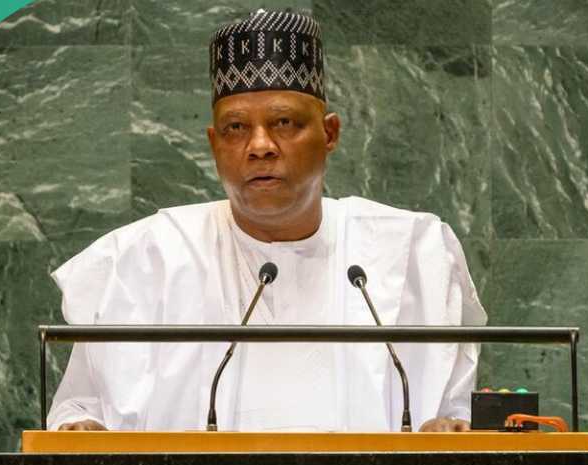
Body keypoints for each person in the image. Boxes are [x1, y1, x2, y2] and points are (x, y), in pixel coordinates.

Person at [48, 9, 486, 433]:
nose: (260, 146)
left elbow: (455, 415)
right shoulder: (145, 258)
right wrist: (80, 425)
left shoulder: (410, 250)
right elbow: (81, 409)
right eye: (236, 128)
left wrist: (447, 425)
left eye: (283, 122)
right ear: (214, 143)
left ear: (330, 133)